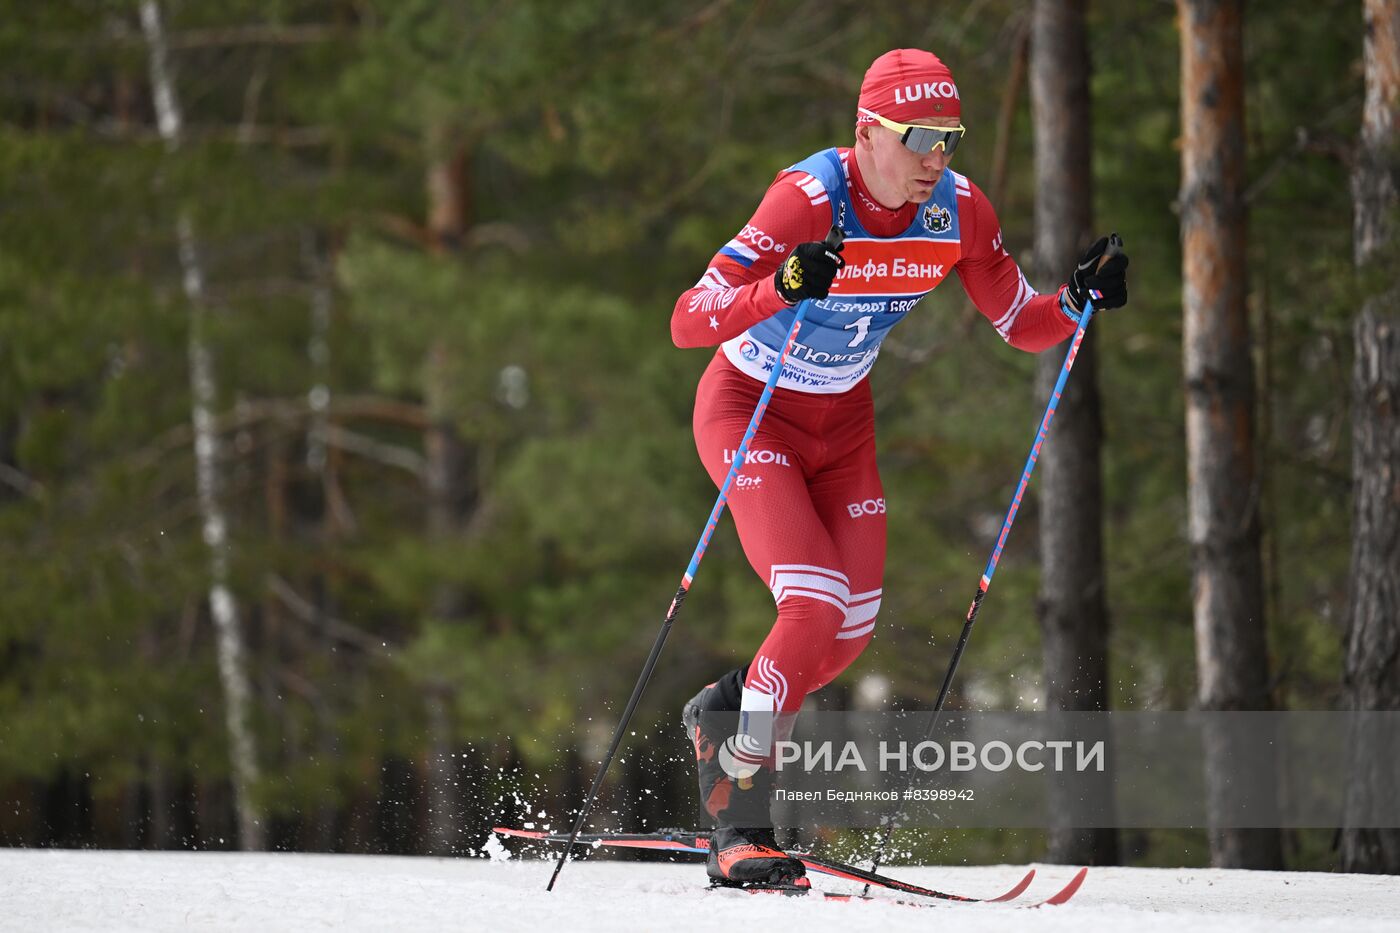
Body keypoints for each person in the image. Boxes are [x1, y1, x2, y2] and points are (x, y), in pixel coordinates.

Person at [672, 48, 1128, 888]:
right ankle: (738, 823)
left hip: (842, 426)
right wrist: (779, 283)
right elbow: (688, 318)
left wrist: (1076, 297)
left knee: (838, 641)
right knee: (809, 608)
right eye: (918, 136)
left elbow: (1021, 323)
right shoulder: (808, 197)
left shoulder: (959, 212)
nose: (935, 157)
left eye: (949, 138)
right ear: (866, 132)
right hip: (750, 404)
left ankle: (724, 710)